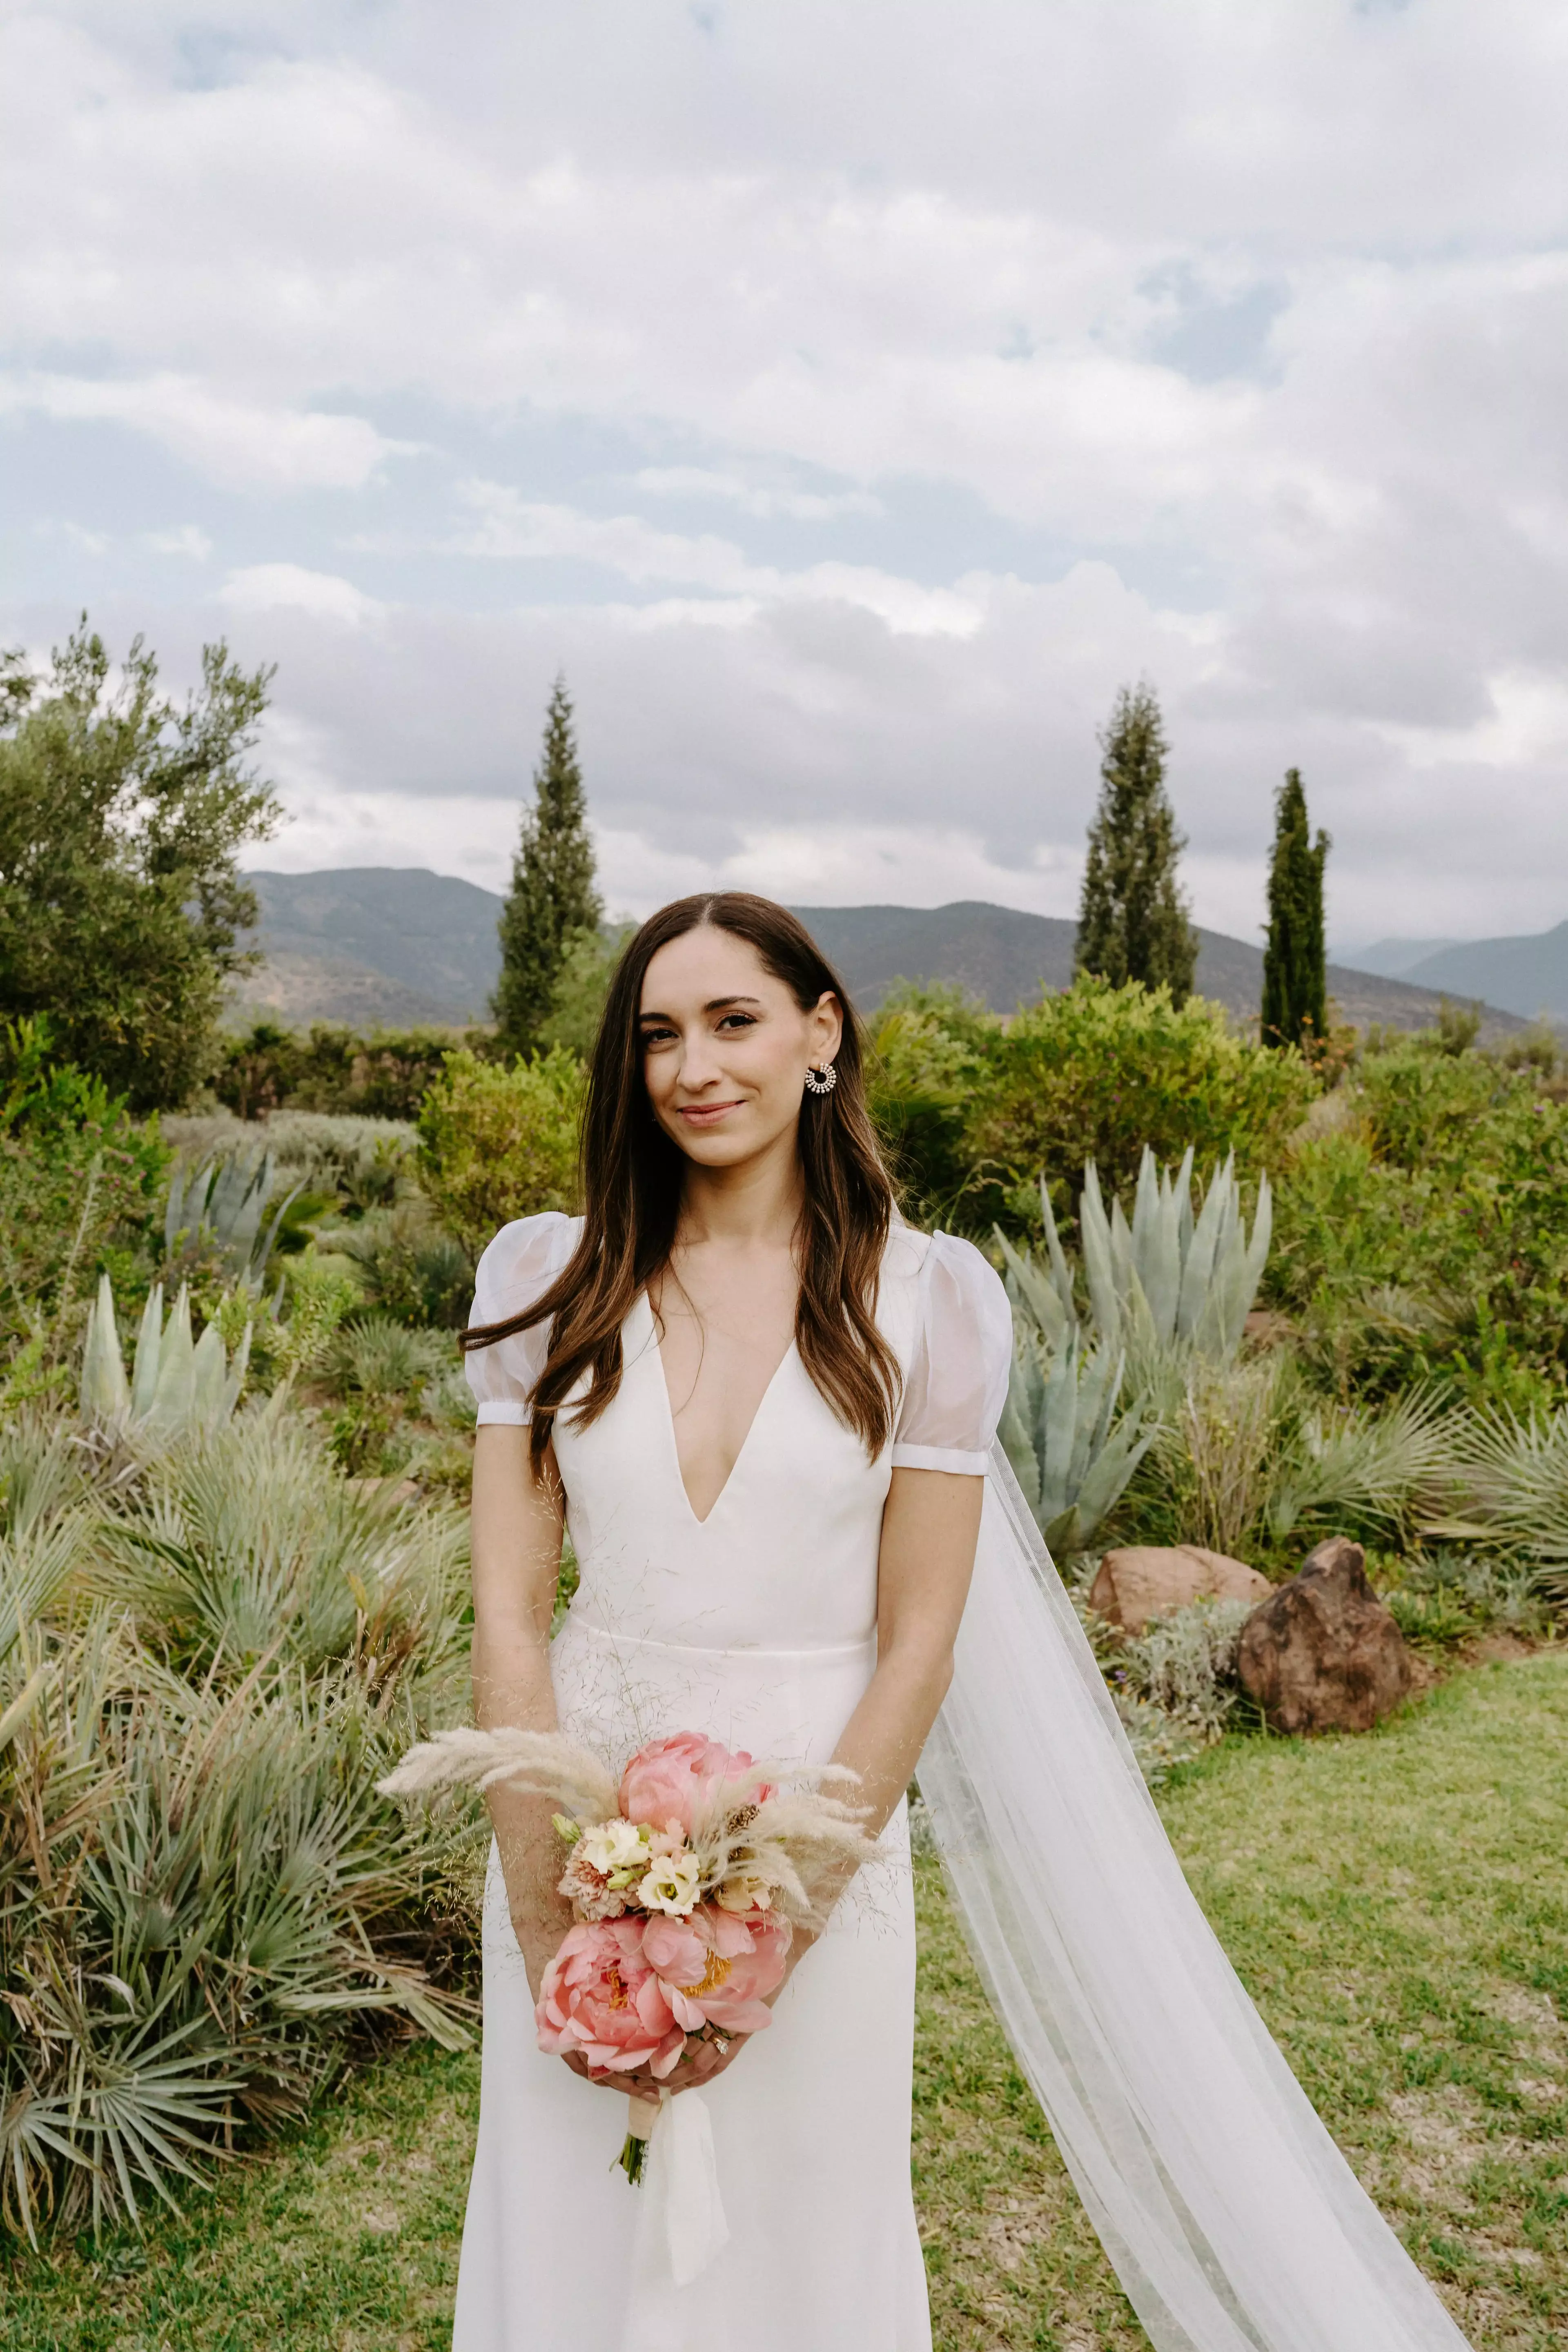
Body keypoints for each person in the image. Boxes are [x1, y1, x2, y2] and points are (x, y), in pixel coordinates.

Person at [450, 891, 1472, 2352]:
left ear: (820, 1033)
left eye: (734, 1021)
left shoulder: (925, 1303)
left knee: (809, 2226)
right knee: (568, 2214)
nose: (694, 1068)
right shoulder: (549, 1282)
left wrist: (774, 1932)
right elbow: (507, 1611)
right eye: (659, 1035)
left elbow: (920, 1641)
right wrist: (551, 1911)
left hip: (822, 1841)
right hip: (570, 1824)